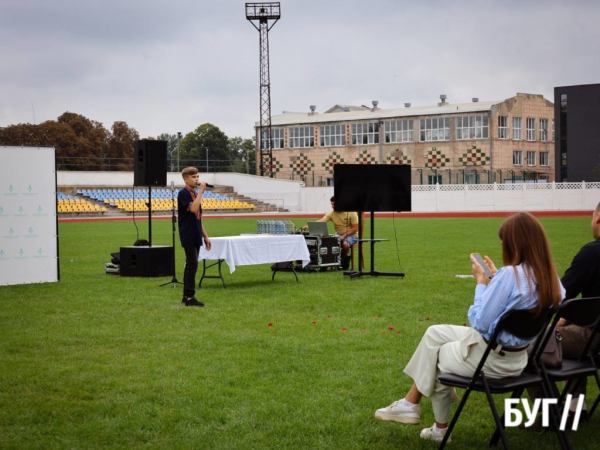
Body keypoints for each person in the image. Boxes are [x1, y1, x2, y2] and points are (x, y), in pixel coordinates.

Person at [374, 212, 565, 443]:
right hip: (520, 358)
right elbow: (518, 307)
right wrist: (497, 283)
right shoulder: (551, 279)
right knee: (434, 333)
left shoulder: (509, 276)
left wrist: (481, 284)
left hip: (493, 361)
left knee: (436, 356)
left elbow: (480, 322)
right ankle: (414, 408)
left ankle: (430, 421)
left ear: (515, 244)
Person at [523, 201, 600, 428]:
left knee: (529, 348)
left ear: (598, 219)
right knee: (562, 335)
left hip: (595, 336)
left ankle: (551, 416)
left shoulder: (592, 253)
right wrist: (569, 318)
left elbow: (558, 298)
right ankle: (576, 409)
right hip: (591, 330)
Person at [178, 167, 212, 307]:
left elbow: (198, 217)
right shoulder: (183, 193)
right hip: (188, 233)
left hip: (196, 233)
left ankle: (186, 296)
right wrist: (202, 191)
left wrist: (206, 236)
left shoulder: (194, 194)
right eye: (193, 177)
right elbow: (192, 209)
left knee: (191, 265)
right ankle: (190, 297)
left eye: (197, 176)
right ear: (186, 179)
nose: (197, 179)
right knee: (192, 264)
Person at [305, 196, 358, 270]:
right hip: (338, 234)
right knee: (326, 242)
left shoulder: (351, 212)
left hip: (352, 235)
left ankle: (341, 261)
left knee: (345, 244)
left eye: (334, 205)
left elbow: (355, 228)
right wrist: (309, 226)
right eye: (332, 204)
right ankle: (326, 262)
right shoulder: (331, 213)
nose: (332, 207)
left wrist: (343, 236)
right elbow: (322, 221)